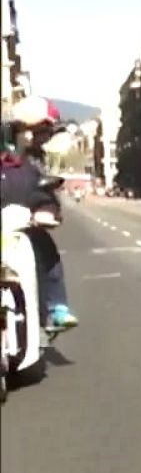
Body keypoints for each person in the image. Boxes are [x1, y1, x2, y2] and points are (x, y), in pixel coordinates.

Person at [1, 96, 76, 330]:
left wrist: (48, 211)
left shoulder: (36, 164)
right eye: (38, 131)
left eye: (45, 132)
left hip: (25, 226)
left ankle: (57, 307)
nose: (41, 138)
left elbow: (44, 194)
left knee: (47, 253)